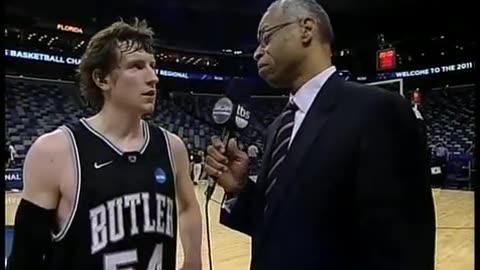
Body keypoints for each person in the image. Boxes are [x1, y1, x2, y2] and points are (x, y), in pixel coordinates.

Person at [205, 1, 436, 270]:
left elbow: (404, 246)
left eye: (266, 38)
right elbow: (277, 230)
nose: (257, 52)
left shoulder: (378, 110)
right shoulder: (278, 128)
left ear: (306, 29)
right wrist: (240, 189)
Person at [7, 19, 202, 270]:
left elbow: (187, 207)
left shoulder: (172, 146)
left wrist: (193, 260)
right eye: (136, 66)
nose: (153, 77)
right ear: (102, 78)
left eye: (153, 66)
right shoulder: (55, 151)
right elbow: (25, 258)